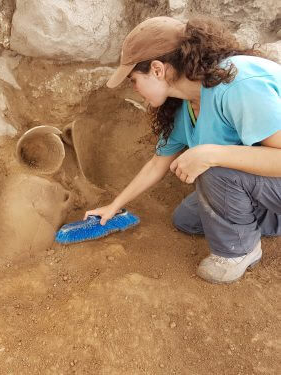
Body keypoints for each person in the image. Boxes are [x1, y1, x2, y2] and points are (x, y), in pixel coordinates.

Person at [84, 16, 281, 284]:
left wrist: (211, 154)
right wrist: (114, 206)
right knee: (186, 218)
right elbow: (158, 163)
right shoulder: (188, 106)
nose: (134, 89)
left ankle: (240, 251)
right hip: (267, 184)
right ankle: (267, 218)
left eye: (133, 80)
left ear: (157, 69)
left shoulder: (239, 85)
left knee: (214, 171)